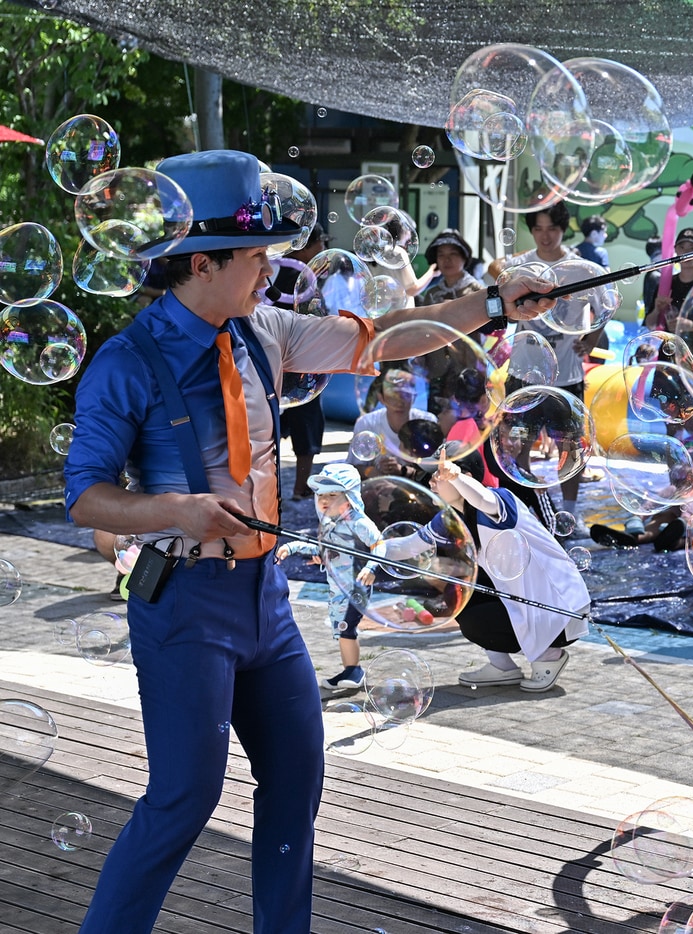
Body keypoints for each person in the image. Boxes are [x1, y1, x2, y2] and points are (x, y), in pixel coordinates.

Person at [62, 150, 555, 934]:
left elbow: (386, 337)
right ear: (202, 261)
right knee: (185, 796)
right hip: (184, 604)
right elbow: (84, 495)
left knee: (297, 779)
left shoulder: (264, 330)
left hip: (265, 597)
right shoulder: (127, 363)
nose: (272, 269)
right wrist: (177, 510)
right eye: (256, 256)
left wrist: (494, 302)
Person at [431, 456, 589, 692]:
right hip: (534, 609)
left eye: (439, 475)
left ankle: (549, 656)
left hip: (561, 613)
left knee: (471, 601)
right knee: (461, 592)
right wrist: (376, 547)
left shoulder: (500, 499)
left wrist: (455, 477)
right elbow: (411, 544)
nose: (432, 481)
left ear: (466, 477)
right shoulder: (453, 518)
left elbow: (482, 498)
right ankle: (502, 667)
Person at [503, 203, 598, 526]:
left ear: (563, 230)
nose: (545, 236)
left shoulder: (581, 268)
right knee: (517, 445)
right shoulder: (520, 265)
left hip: (567, 375)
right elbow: (494, 276)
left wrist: (590, 341)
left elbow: (605, 307)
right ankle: (526, 511)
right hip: (523, 373)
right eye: (538, 229)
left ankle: (569, 511)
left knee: (569, 446)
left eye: (552, 229)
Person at [274, 464, 386, 694]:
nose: (324, 500)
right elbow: (324, 549)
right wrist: (294, 547)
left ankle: (354, 672)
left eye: (333, 495)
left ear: (350, 498)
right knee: (341, 628)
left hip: (356, 586)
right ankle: (349, 669)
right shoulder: (330, 523)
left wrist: (371, 567)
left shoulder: (357, 522)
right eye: (321, 495)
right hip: (338, 587)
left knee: (346, 628)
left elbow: (380, 544)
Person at [266, 224, 332, 499]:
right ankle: (299, 487)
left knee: (272, 425)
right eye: (321, 243)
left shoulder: (273, 272)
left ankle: (275, 487)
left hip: (274, 362)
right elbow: (317, 319)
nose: (323, 250)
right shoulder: (300, 279)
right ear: (305, 246)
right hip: (301, 363)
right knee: (305, 423)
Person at [417, 229, 484, 306]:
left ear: (464, 257)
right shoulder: (432, 294)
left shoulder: (477, 291)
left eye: (453, 254)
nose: (447, 259)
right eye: (441, 255)